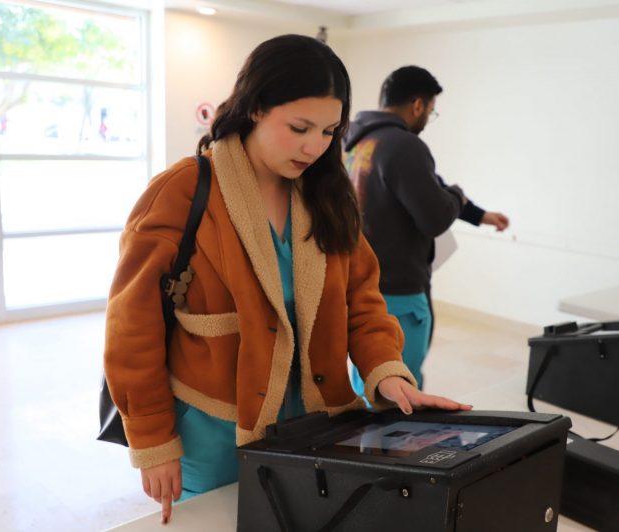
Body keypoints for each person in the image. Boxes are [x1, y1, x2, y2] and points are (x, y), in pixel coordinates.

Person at [103, 36, 471, 524]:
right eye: (299, 128)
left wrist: (386, 372)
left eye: (329, 131)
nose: (314, 147)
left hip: (317, 428)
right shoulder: (182, 192)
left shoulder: (329, 196)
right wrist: (153, 440)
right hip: (213, 434)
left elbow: (363, 302)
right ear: (255, 107)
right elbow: (132, 328)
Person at [343, 65, 509, 392]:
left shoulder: (353, 141)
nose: (427, 119)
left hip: (360, 282)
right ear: (418, 105)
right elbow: (435, 216)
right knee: (399, 387)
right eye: (431, 112)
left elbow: (430, 187)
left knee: (368, 378)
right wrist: (458, 196)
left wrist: (479, 215)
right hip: (399, 294)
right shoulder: (405, 145)